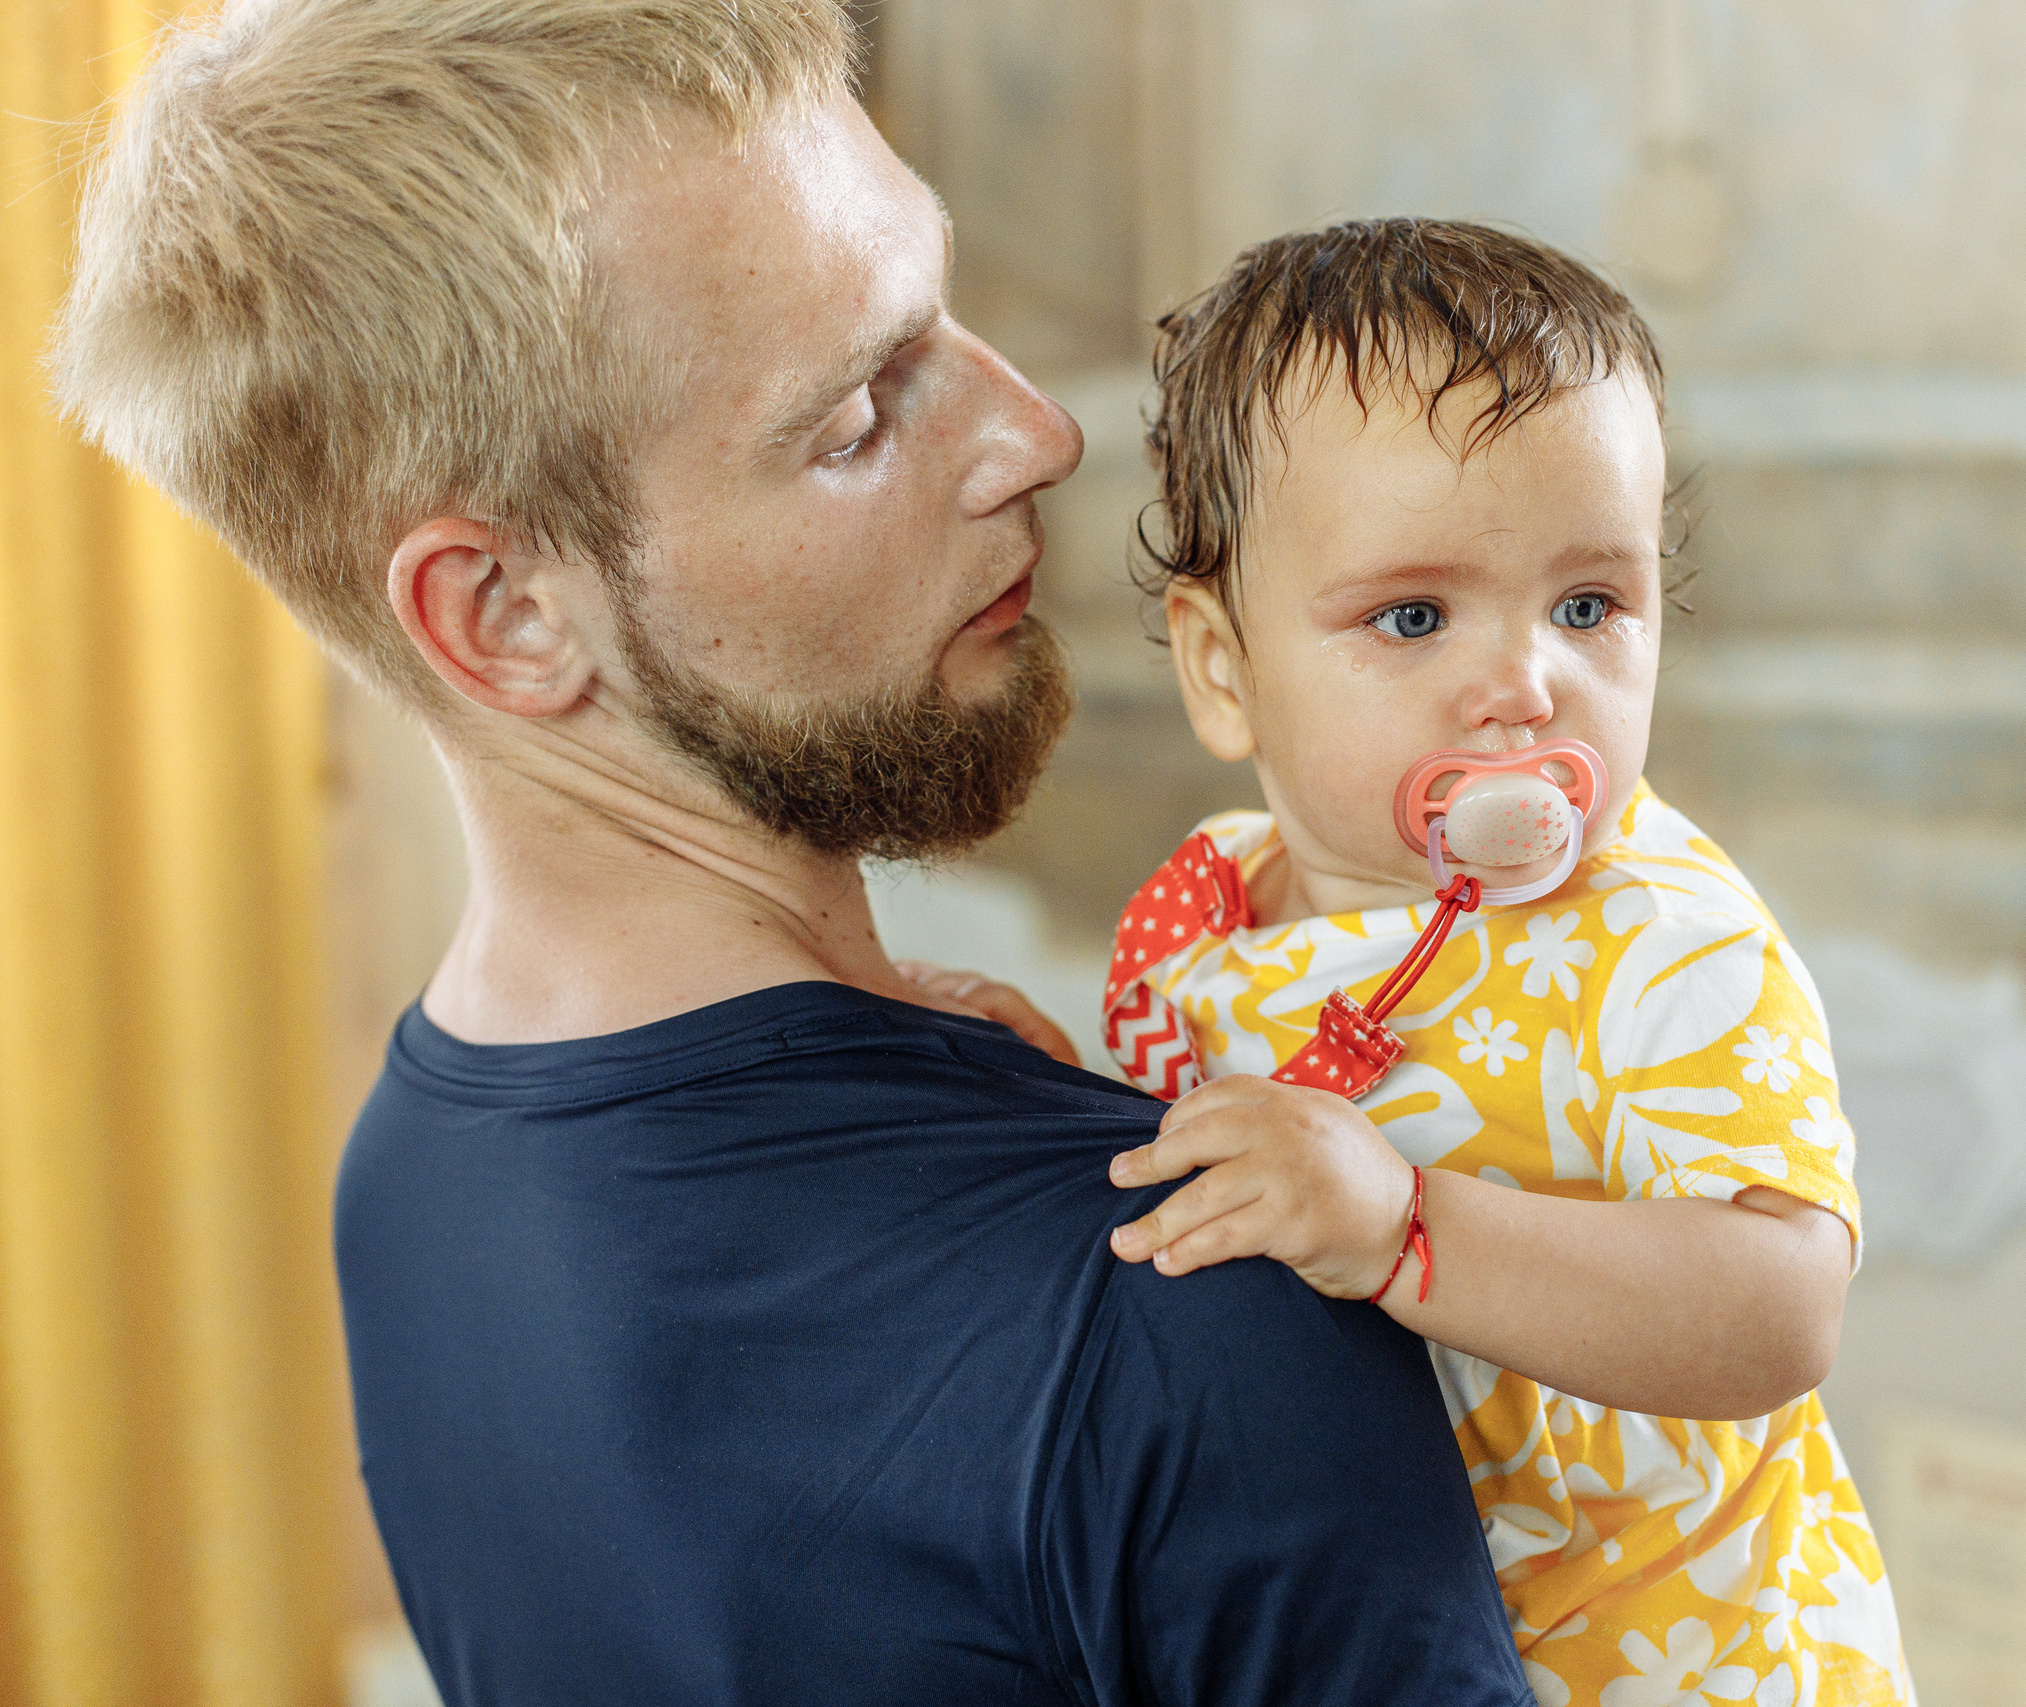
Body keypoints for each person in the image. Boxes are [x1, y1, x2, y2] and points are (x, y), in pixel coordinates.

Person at [51, 5, 1537, 1703]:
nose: (1038, 432)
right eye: (854, 420)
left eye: (942, 312)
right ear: (509, 617)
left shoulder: (410, 1178)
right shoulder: (1184, 1293)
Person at [1093, 221, 1913, 1705]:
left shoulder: (1660, 936)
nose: (1526, 684)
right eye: (1412, 616)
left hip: (1695, 1667)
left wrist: (1407, 1226)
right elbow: (1187, 1165)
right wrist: (1013, 1079)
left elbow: (1784, 1309)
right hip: (1399, 1641)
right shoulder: (1204, 913)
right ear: (1224, 670)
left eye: (1590, 606)